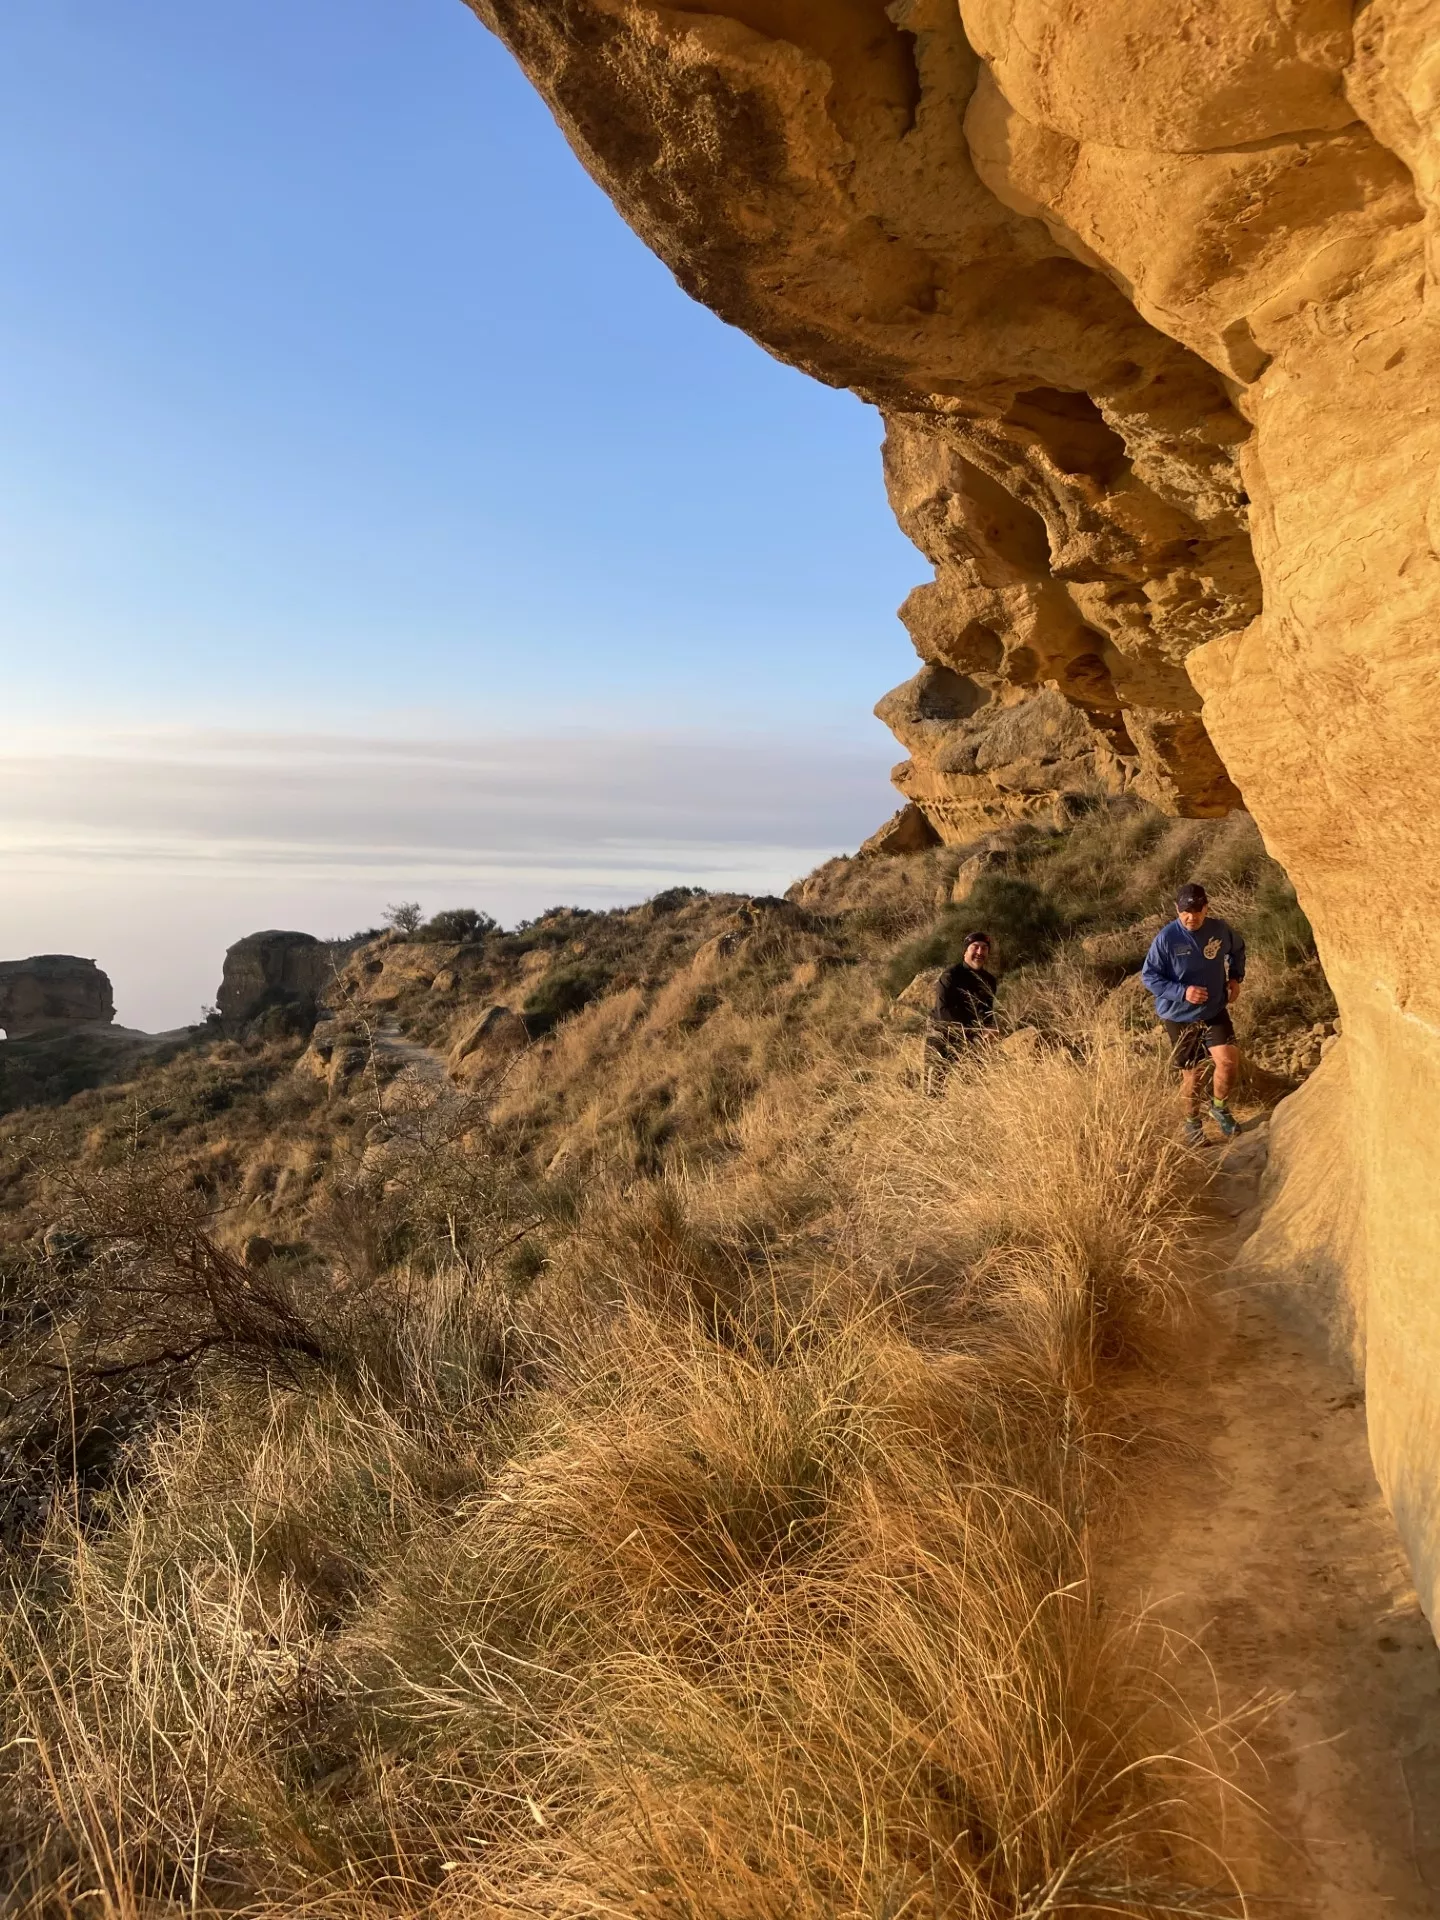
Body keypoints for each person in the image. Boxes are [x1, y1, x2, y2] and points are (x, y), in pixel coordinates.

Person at [1141, 882, 1246, 1144]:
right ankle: (1192, 1123)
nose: (1191, 917)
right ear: (1177, 910)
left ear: (1206, 908)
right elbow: (1150, 977)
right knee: (1194, 1074)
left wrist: (1235, 978)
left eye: (1197, 911)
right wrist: (1182, 992)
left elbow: (1238, 949)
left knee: (1229, 1062)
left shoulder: (1219, 930)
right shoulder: (1166, 939)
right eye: (1185, 912)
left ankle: (1219, 1108)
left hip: (1213, 1010)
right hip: (1180, 1016)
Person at [925, 931, 998, 1094]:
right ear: (965, 951)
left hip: (973, 1035)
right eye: (975, 947)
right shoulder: (950, 976)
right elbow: (943, 1012)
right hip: (942, 1032)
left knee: (974, 1084)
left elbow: (986, 1011)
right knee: (934, 1088)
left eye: (984, 948)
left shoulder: (989, 980)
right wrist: (975, 1029)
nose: (980, 952)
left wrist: (990, 1028)